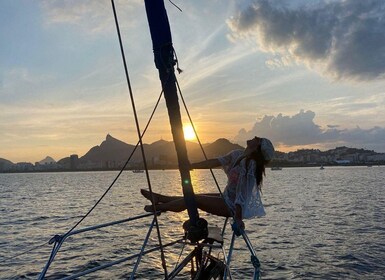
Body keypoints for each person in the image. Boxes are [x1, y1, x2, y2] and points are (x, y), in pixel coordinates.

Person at [141, 136, 274, 228]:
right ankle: (159, 198)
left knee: (194, 199)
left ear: (258, 148)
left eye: (258, 140)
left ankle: (157, 207)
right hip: (226, 197)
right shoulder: (237, 154)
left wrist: (238, 218)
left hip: (232, 207)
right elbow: (215, 161)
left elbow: (242, 193)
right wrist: (191, 165)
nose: (255, 137)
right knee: (191, 195)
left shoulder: (250, 164)